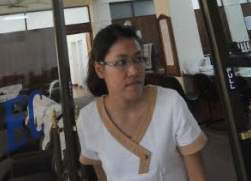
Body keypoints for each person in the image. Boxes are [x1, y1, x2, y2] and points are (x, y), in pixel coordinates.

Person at [77, 24, 208, 181]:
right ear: (99, 69)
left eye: (138, 59)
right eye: (121, 62)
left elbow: (197, 176)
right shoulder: (88, 119)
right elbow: (102, 177)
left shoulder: (170, 104)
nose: (134, 71)